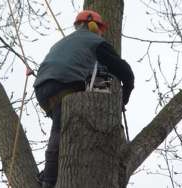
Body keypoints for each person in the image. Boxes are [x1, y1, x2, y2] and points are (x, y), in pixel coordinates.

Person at [34, 10, 134, 188]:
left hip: (43, 90)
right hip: (65, 85)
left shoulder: (62, 43)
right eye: (100, 29)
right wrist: (122, 101)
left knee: (62, 126)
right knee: (59, 129)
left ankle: (50, 173)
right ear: (93, 26)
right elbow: (125, 72)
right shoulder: (96, 42)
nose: (102, 33)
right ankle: (49, 181)